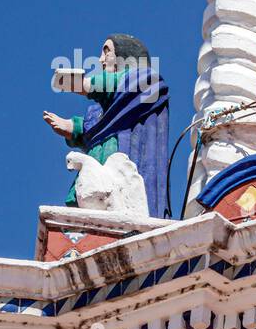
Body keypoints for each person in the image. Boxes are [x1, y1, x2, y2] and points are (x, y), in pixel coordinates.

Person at [44, 34, 170, 217]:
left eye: (107, 52)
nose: (101, 60)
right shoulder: (102, 107)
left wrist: (83, 83)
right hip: (97, 159)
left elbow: (118, 84)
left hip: (124, 160)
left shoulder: (147, 81)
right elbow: (94, 124)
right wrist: (71, 127)